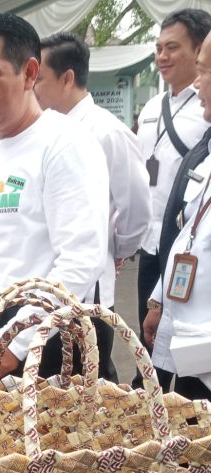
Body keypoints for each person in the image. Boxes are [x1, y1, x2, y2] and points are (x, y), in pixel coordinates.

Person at [0, 13, 109, 378]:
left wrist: (18, 340)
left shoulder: (65, 144)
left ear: (29, 73)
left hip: (47, 334)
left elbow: (81, 257)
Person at [34, 31, 151, 381]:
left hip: (89, 288)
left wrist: (114, 250)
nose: (32, 87)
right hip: (45, 281)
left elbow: (136, 207)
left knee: (89, 380)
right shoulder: (41, 131)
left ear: (67, 78)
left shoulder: (107, 132)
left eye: (39, 78)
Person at [136, 8, 211, 378]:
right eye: (158, 48)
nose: (162, 56)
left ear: (198, 51)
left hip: (190, 244)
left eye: (172, 47)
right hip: (154, 241)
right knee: (149, 340)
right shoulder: (152, 107)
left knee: (190, 356)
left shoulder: (204, 112)